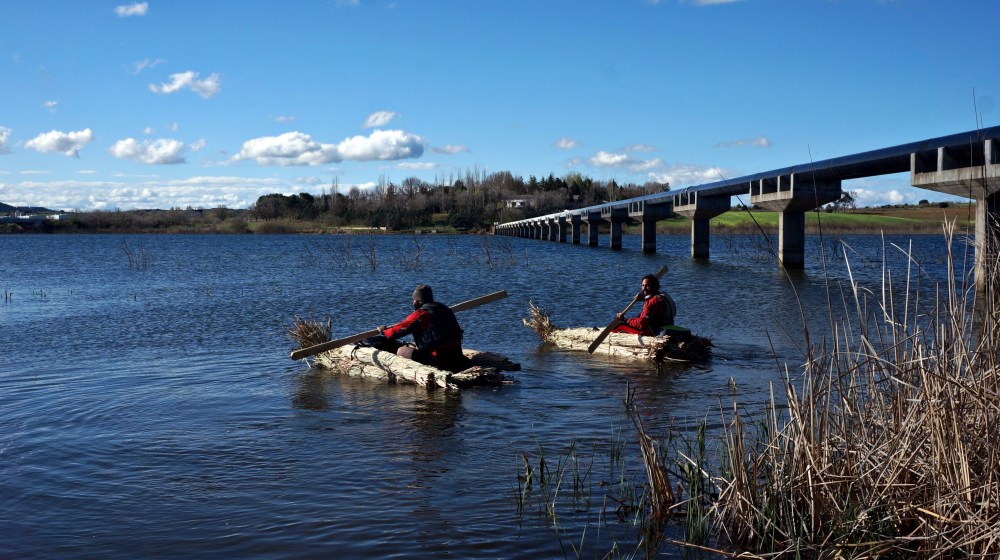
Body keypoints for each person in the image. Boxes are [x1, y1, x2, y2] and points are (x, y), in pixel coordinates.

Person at [376, 284, 470, 373]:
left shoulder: (421, 314)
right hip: (456, 355)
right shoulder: (445, 309)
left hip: (437, 359)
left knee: (401, 350)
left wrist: (384, 331)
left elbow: (397, 332)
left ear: (420, 301)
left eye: (414, 300)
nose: (413, 302)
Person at [611, 273, 677, 336]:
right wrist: (644, 298)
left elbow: (642, 324)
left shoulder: (652, 301)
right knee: (638, 316)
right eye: (643, 285)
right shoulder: (664, 295)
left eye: (647, 286)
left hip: (653, 331)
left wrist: (625, 320)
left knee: (620, 325)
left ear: (654, 286)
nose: (644, 288)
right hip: (667, 325)